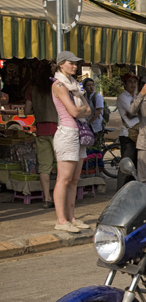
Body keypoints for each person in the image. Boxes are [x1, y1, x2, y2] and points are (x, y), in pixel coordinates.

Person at [51, 51, 93, 233]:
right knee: (64, 178)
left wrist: (81, 106)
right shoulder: (59, 84)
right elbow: (75, 112)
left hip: (79, 133)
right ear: (61, 64)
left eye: (76, 64)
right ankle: (61, 219)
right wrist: (81, 109)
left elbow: (88, 110)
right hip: (67, 133)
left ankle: (71, 217)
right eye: (70, 63)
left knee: (74, 179)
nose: (74, 66)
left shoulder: (75, 85)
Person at [25, 61, 58, 209]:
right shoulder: (56, 86)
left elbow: (26, 111)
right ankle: (60, 196)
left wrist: (38, 110)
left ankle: (47, 198)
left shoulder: (33, 89)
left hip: (41, 129)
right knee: (62, 165)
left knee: (44, 167)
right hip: (58, 129)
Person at [116, 73, 139, 189]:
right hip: (127, 134)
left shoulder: (135, 97)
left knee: (135, 164)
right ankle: (120, 190)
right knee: (126, 164)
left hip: (137, 134)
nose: (133, 84)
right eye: (130, 82)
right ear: (124, 84)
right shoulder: (123, 97)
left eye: (134, 82)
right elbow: (133, 111)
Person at [82, 78, 105, 150]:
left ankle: (97, 160)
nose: (91, 87)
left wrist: (89, 122)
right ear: (84, 87)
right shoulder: (84, 96)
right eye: (88, 85)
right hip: (87, 124)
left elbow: (98, 111)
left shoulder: (98, 96)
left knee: (96, 147)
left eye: (92, 85)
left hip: (96, 126)